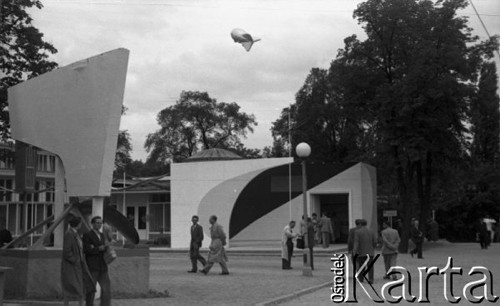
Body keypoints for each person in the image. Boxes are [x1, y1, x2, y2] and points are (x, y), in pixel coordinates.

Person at [61, 215, 95, 306]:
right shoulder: (69, 234)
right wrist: (75, 260)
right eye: (80, 223)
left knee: (82, 287)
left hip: (79, 265)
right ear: (77, 224)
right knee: (73, 288)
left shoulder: (76, 234)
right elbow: (67, 251)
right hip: (72, 266)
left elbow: (79, 248)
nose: (81, 225)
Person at [83, 216, 111, 306]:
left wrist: (107, 248)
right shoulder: (87, 235)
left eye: (100, 223)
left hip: (103, 266)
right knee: (91, 289)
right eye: (97, 223)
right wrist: (98, 249)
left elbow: (103, 247)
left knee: (106, 289)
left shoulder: (102, 235)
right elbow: (86, 250)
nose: (99, 225)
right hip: (93, 266)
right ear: (93, 224)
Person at [353, 219, 378, 283]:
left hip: (361, 252)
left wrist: (354, 251)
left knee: (362, 266)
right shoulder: (372, 231)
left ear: (360, 224)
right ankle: (371, 279)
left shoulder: (357, 232)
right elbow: (375, 241)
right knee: (370, 266)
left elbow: (356, 242)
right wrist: (373, 247)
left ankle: (361, 278)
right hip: (370, 252)